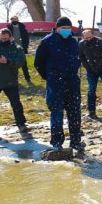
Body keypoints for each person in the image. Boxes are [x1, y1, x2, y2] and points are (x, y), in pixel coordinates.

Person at [34, 16, 84, 153]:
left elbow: (77, 59)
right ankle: (56, 142)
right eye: (63, 28)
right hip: (55, 84)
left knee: (75, 113)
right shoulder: (47, 42)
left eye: (68, 28)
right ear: (57, 28)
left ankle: (75, 141)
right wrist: (49, 77)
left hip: (72, 83)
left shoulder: (74, 41)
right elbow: (38, 63)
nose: (66, 31)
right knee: (57, 113)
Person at [78, 30, 102, 119]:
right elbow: (81, 56)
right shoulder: (81, 44)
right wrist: (87, 66)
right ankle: (91, 111)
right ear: (83, 37)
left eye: (90, 37)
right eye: (86, 38)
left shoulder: (101, 42)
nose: (88, 40)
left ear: (93, 35)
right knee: (91, 90)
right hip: (91, 69)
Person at [7, 15, 32, 84]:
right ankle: (13, 80)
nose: (13, 20)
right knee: (12, 64)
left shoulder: (22, 27)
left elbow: (26, 38)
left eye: (14, 19)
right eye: (12, 19)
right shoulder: (8, 28)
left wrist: (25, 47)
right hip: (11, 49)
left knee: (24, 64)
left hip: (21, 49)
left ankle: (28, 78)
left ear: (17, 19)